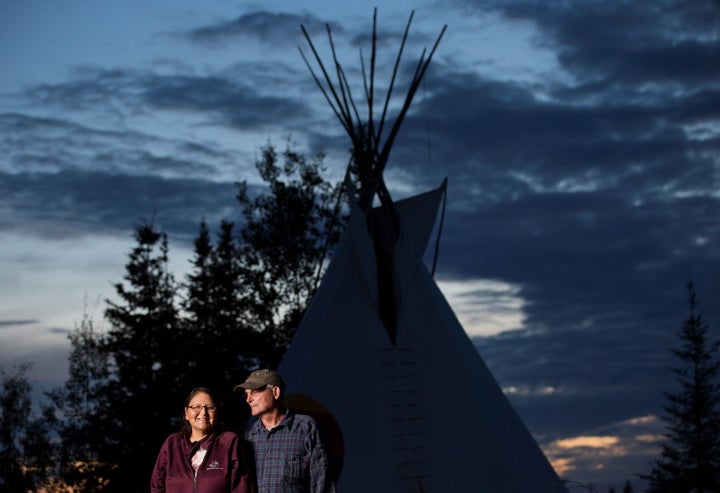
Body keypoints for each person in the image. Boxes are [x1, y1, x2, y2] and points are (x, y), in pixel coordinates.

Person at [234, 369, 335, 493]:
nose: (248, 399)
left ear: (275, 392)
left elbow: (322, 483)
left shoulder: (306, 428)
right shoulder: (243, 436)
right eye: (246, 394)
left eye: (254, 392)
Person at [151, 386, 256, 493]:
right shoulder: (172, 443)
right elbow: (157, 487)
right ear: (186, 413)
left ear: (216, 413)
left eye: (210, 407)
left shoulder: (229, 441)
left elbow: (242, 487)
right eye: (196, 407)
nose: (203, 412)